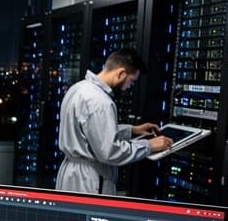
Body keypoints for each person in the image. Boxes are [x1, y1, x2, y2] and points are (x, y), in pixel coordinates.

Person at [55, 48, 172, 195]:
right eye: (131, 81)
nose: (128, 87)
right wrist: (148, 146)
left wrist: (132, 130)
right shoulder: (100, 101)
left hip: (70, 174)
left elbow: (91, 131)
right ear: (121, 73)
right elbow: (109, 152)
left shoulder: (79, 88)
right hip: (90, 180)